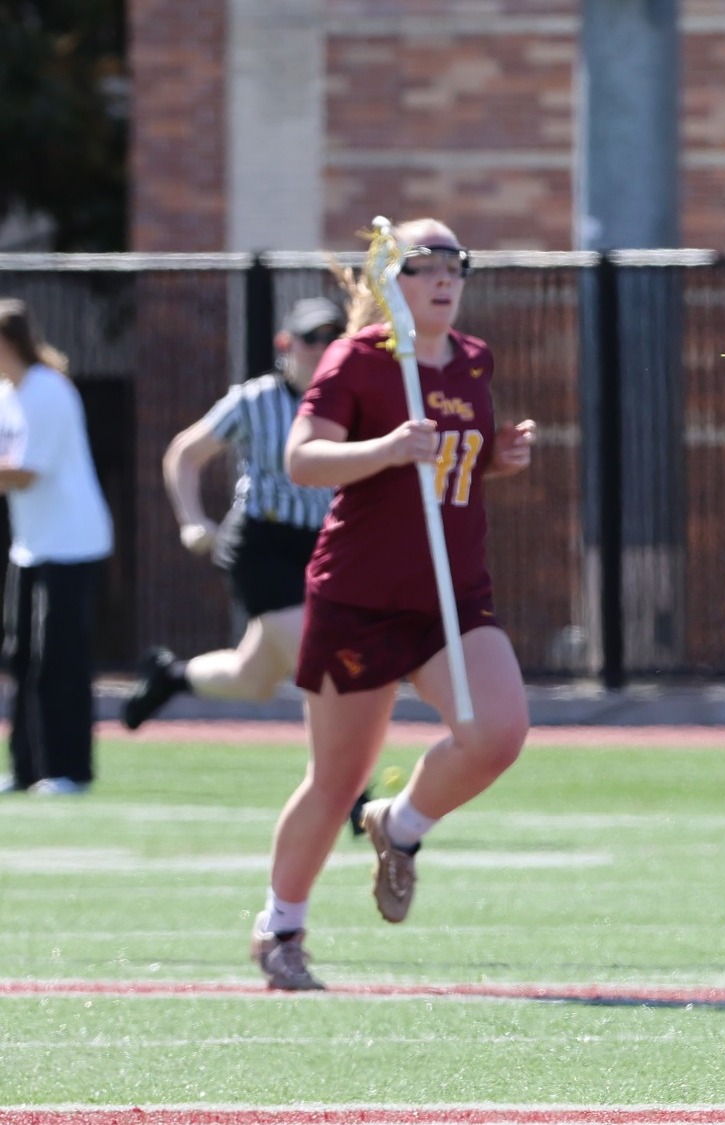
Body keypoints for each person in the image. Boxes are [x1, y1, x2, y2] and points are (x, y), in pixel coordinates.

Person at [249, 218, 537, 990]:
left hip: (450, 595)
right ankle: (280, 927)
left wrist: (497, 458)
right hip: (360, 597)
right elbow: (302, 458)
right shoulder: (359, 361)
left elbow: (452, 473)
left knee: (498, 732)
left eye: (456, 264)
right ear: (389, 280)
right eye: (423, 265)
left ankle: (400, 825)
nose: (444, 277)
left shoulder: (472, 360)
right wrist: (383, 449)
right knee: (337, 777)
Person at [121, 297, 340, 729]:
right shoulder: (255, 400)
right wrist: (192, 520)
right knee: (321, 663)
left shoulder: (348, 402)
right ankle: (346, 790)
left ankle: (170, 676)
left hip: (319, 549)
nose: (322, 348)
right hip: (262, 544)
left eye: (333, 339)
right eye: (311, 338)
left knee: (253, 678)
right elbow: (185, 454)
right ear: (285, 343)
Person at [0, 299, 114, 796]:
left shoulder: (48, 390)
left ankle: (70, 770)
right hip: (31, 545)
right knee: (21, 656)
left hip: (71, 542)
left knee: (60, 659)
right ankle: (27, 768)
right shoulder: (8, 392)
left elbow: (25, 473)